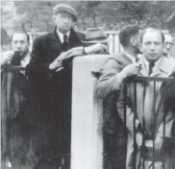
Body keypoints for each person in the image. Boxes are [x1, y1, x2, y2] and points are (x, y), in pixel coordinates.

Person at [25, 3, 102, 168]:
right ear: (54, 18)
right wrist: (50, 67)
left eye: (70, 18)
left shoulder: (81, 39)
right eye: (63, 17)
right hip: (49, 103)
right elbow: (31, 69)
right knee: (47, 148)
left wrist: (88, 50)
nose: (66, 21)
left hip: (75, 101)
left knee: (72, 146)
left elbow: (102, 53)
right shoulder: (41, 41)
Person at [116, 28, 175, 169]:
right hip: (136, 136)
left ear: (163, 45)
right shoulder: (131, 70)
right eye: (148, 43)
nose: (152, 48)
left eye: (157, 43)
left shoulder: (173, 69)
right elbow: (121, 103)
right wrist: (135, 130)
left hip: (163, 138)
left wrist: (162, 134)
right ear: (140, 46)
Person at [97, 25, 142, 169]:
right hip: (117, 129)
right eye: (142, 40)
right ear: (134, 41)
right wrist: (122, 74)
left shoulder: (140, 61)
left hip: (133, 125)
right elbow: (102, 89)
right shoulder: (114, 62)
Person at [0, 32, 31, 168]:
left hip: (31, 108)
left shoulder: (34, 59)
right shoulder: (5, 59)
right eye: (16, 42)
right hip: (11, 109)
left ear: (28, 44)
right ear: (11, 44)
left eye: (22, 42)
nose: (19, 46)